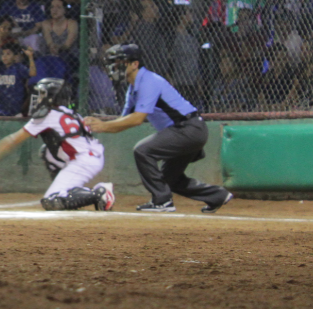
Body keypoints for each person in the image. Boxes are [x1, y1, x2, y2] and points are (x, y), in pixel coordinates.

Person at [85, 44, 233, 213]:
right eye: (113, 63)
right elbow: (123, 122)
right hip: (185, 130)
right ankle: (217, 195)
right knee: (170, 179)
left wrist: (103, 126)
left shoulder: (149, 80)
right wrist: (98, 125)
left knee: (142, 150)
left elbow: (137, 119)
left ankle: (162, 201)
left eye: (120, 63)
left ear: (134, 64)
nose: (114, 68)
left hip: (188, 129)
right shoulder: (133, 88)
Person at [0, 79, 113, 211]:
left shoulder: (47, 115)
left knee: (51, 200)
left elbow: (13, 140)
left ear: (53, 97)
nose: (39, 98)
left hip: (83, 161)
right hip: (91, 156)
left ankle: (99, 193)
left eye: (42, 94)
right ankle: (67, 188)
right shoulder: (70, 113)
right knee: (46, 151)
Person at [0, 30, 36, 117]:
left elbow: (32, 73)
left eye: (8, 54)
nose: (4, 57)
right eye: (3, 54)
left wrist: (30, 57)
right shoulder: (2, 68)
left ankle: (17, 115)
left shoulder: (18, 67)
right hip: (2, 105)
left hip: (14, 106)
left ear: (15, 56)